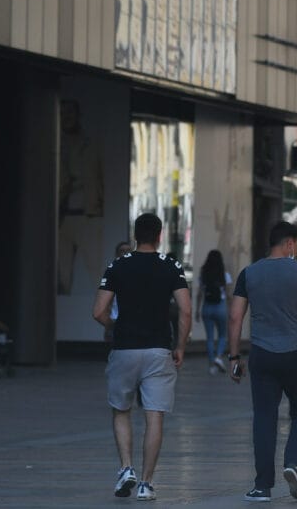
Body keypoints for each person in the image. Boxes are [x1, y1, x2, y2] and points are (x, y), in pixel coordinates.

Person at [227, 221, 297, 502]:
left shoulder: (249, 273)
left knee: (264, 417)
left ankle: (262, 487)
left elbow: (235, 317)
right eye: (295, 244)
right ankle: (293, 463)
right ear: (289, 243)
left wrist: (234, 357)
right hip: (295, 352)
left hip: (262, 354)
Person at [92, 213, 191, 501]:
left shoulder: (118, 265)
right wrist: (180, 346)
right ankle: (146, 483)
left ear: (135, 235)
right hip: (159, 349)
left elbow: (98, 311)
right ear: (160, 236)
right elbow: (185, 310)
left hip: (124, 348)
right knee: (154, 414)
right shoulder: (171, 266)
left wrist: (114, 327)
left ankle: (126, 468)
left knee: (121, 410)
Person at [196, 249, 233, 374]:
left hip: (207, 307)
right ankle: (218, 357)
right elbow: (228, 295)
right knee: (223, 335)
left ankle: (212, 366)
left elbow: (199, 294)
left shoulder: (204, 274)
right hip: (220, 307)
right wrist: (231, 309)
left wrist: (197, 310)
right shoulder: (225, 275)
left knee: (210, 338)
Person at [104, 241, 133, 344]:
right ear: (117, 254)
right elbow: (105, 301)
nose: (125, 253)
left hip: (134, 322)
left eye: (128, 250)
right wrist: (109, 324)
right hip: (115, 320)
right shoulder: (112, 272)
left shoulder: (137, 272)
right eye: (122, 251)